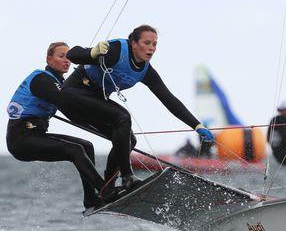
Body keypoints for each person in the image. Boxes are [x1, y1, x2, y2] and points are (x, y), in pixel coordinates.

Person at [59, 24, 214, 191]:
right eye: (147, 43)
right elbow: (72, 54)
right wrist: (92, 52)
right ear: (133, 43)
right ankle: (128, 177)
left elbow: (168, 99)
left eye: (154, 44)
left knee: (129, 140)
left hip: (93, 104)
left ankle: (108, 187)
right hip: (72, 95)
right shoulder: (116, 50)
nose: (151, 48)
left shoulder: (146, 71)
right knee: (122, 117)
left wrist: (196, 126)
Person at [6, 42, 112, 209]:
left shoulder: (57, 83)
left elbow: (73, 113)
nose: (67, 60)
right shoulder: (41, 79)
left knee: (86, 146)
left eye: (68, 57)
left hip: (37, 135)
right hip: (20, 139)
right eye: (61, 56)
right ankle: (106, 191)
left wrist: (108, 129)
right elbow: (65, 102)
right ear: (49, 59)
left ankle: (91, 199)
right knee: (75, 150)